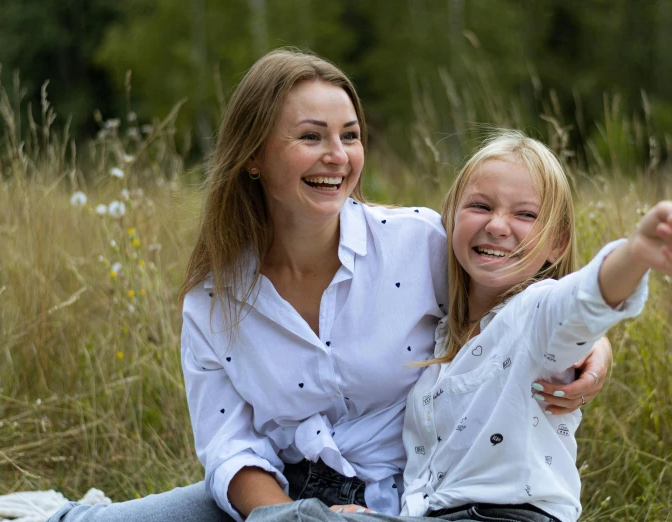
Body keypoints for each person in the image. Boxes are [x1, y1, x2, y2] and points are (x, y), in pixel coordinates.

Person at [47, 49, 610, 522]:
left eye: (350, 135)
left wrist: (596, 350)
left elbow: (517, 302)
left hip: (407, 501)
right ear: (253, 157)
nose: (337, 157)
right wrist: (286, 517)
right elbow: (230, 448)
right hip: (277, 500)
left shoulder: (418, 243)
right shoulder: (213, 302)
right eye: (311, 137)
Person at [246, 134, 672, 522]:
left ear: (556, 242)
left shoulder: (537, 314)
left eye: (526, 215)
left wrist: (636, 253)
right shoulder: (437, 331)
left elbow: (585, 300)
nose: (499, 226)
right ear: (452, 216)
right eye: (481, 206)